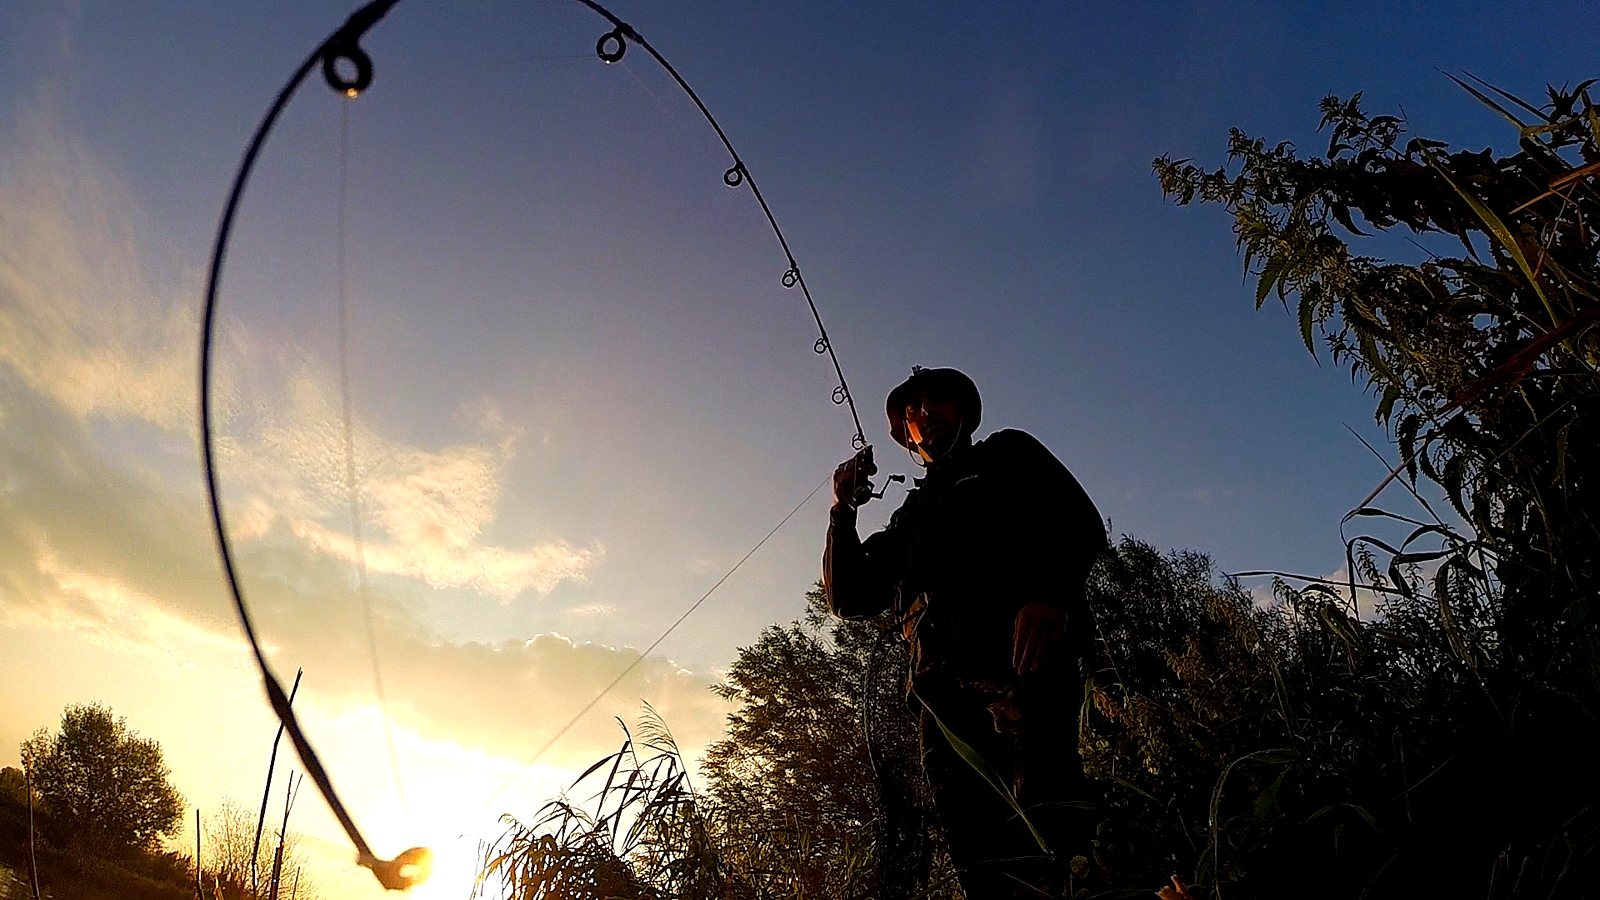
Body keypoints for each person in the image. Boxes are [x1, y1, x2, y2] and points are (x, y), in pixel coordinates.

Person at [823, 366, 1107, 899]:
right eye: (911, 410)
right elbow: (849, 597)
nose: (924, 411)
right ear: (904, 434)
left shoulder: (1006, 455)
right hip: (941, 711)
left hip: (1021, 672)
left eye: (937, 399)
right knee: (981, 863)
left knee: (1053, 831)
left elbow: (1080, 521)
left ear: (963, 411)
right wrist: (842, 511)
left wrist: (1051, 594)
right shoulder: (909, 518)